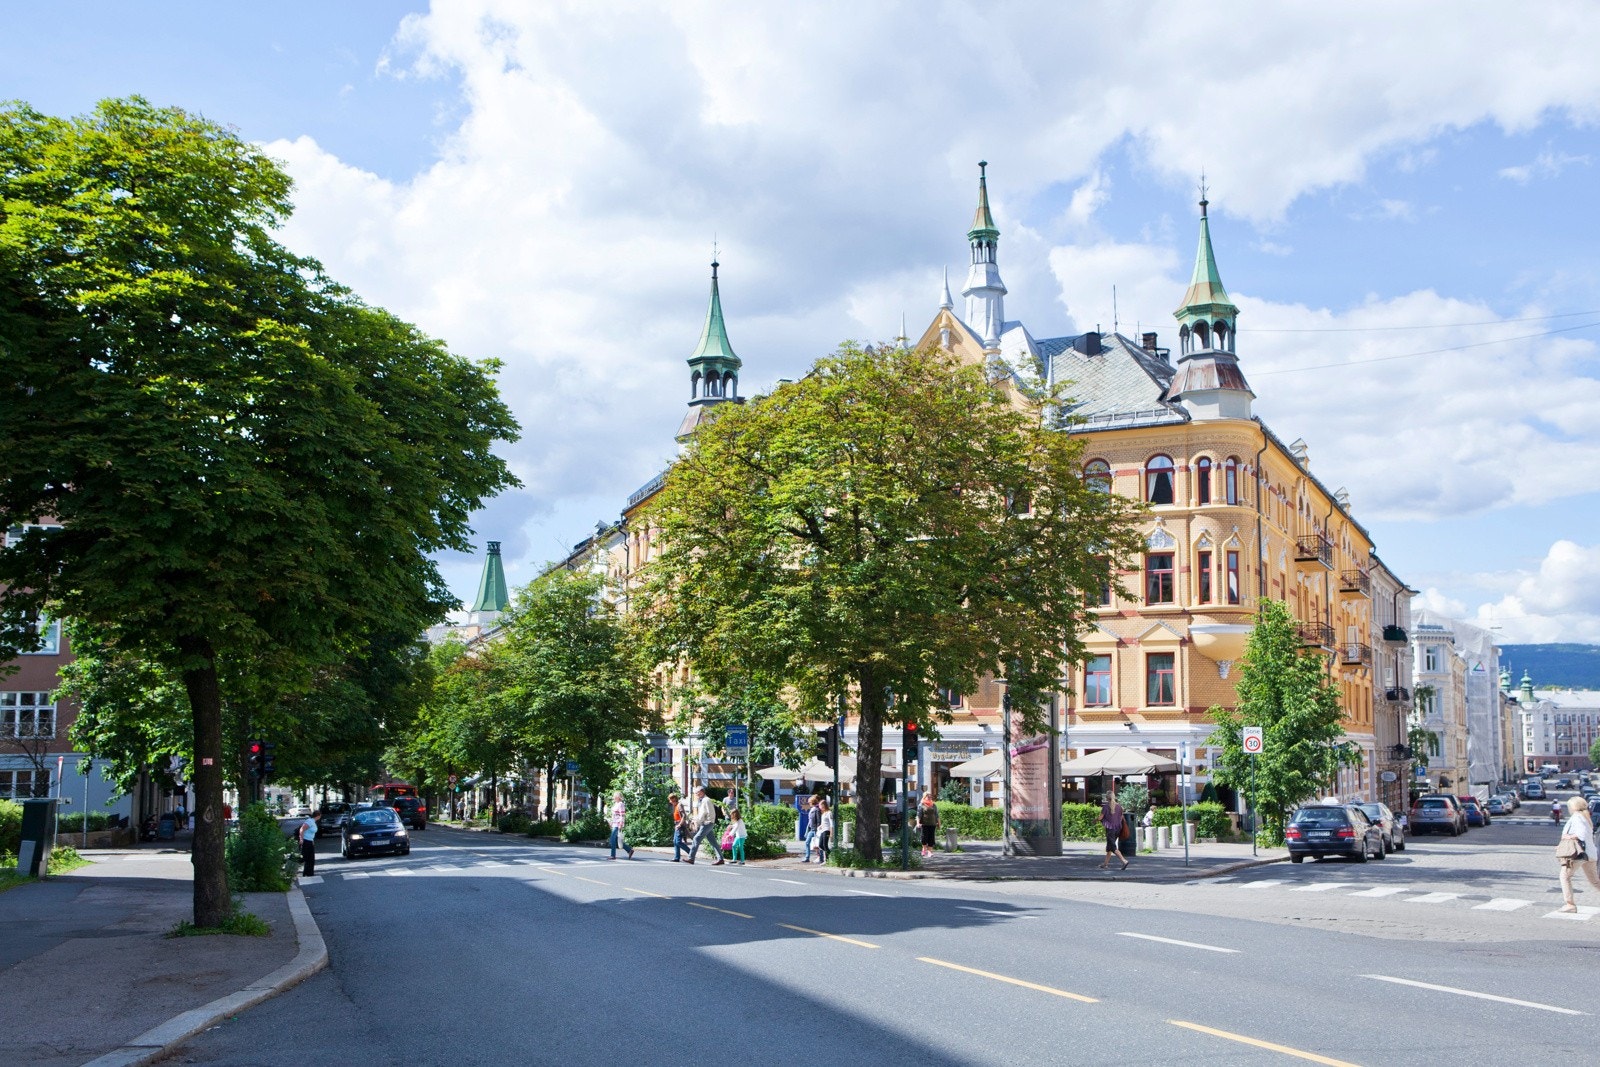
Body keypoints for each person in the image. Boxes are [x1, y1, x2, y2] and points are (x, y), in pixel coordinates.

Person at [1558, 795, 1600, 912]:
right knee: (1595, 881)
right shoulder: (1585, 817)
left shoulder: (1577, 817)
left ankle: (1570, 904)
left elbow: (1581, 835)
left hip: (1579, 854)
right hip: (1590, 854)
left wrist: (1568, 837)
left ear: (1573, 807)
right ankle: (1570, 904)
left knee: (1565, 876)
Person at [686, 787, 724, 865]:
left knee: (696, 838)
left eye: (697, 793)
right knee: (713, 842)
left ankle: (691, 858)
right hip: (708, 822)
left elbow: (704, 813)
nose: (696, 795)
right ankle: (720, 859)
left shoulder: (705, 800)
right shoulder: (704, 800)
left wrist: (697, 821)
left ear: (701, 792)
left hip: (707, 823)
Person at [1098, 783, 1128, 871]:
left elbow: (1101, 817)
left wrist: (1095, 820)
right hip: (1118, 828)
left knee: (1113, 847)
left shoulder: (1105, 807)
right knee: (1109, 846)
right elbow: (1121, 817)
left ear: (1107, 798)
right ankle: (1105, 864)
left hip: (1110, 829)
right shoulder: (1119, 806)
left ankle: (1124, 861)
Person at [608, 791, 635, 860]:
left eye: (614, 796)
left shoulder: (620, 804)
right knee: (616, 839)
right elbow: (613, 815)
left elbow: (622, 815)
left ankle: (613, 855)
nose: (613, 797)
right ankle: (629, 850)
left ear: (618, 797)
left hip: (617, 824)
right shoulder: (615, 804)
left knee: (612, 839)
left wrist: (620, 824)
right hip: (614, 823)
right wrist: (611, 822)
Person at [917, 791, 940, 857]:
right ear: (925, 797)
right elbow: (918, 815)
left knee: (931, 838)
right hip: (924, 824)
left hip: (932, 824)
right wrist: (918, 823)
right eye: (928, 796)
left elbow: (937, 815)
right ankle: (924, 849)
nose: (930, 798)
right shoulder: (921, 805)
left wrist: (939, 823)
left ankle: (930, 851)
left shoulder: (933, 804)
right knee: (924, 838)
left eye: (930, 796)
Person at [296, 811, 318, 878]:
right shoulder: (309, 821)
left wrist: (312, 840)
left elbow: (311, 833)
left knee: (310, 858)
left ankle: (309, 873)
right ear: (318, 816)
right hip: (306, 841)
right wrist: (301, 839)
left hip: (310, 841)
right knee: (305, 857)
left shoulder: (313, 822)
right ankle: (292, 865)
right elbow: (302, 829)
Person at [802, 795, 822, 862]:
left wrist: (818, 830)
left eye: (809, 802)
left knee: (816, 844)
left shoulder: (816, 810)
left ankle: (820, 857)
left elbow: (819, 820)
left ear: (812, 802)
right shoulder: (812, 809)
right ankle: (807, 857)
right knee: (808, 842)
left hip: (815, 829)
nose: (808, 803)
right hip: (811, 829)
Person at [668, 792, 687, 861]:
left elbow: (684, 816)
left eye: (670, 800)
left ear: (674, 799)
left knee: (678, 841)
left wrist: (679, 824)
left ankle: (691, 853)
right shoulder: (675, 806)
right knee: (675, 841)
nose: (670, 801)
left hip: (680, 825)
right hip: (677, 824)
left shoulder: (679, 805)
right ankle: (677, 857)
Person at [815, 799, 834, 863]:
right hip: (823, 830)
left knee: (825, 845)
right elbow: (824, 823)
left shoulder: (829, 813)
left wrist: (831, 833)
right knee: (820, 845)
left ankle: (827, 860)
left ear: (823, 805)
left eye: (820, 805)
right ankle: (828, 855)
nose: (819, 807)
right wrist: (820, 826)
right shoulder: (823, 813)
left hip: (827, 830)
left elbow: (831, 824)